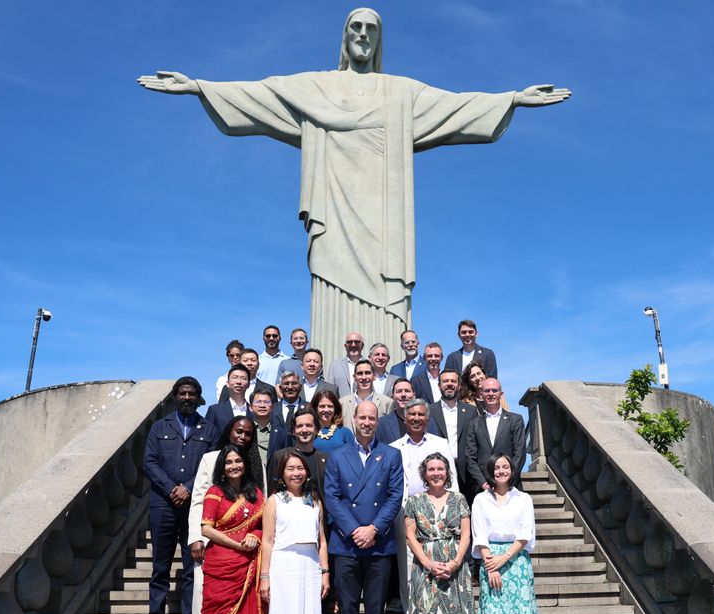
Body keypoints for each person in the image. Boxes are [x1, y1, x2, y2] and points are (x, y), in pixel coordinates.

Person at [138, 9, 570, 369]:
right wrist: (200, 87)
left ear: (379, 41)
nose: (362, 35)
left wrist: (511, 98)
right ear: (344, 37)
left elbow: (455, 106)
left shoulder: (400, 92)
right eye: (355, 28)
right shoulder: (316, 87)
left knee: (388, 291)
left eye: (371, 30)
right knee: (330, 283)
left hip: (385, 220)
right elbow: (262, 95)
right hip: (334, 209)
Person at [323, 401, 404, 614]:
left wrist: (373, 529)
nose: (367, 422)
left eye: (372, 418)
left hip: (379, 545)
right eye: (363, 417)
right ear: (354, 420)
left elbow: (395, 496)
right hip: (346, 545)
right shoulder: (337, 455)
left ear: (377, 422)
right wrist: (355, 530)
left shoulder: (391, 455)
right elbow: (331, 496)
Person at [141, 377, 220, 614]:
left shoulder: (208, 429)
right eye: (183, 393)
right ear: (176, 396)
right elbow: (150, 462)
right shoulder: (159, 427)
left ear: (199, 398)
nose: (187, 397)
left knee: (191, 564)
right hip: (163, 503)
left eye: (192, 394)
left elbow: (211, 464)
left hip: (193, 505)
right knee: (160, 565)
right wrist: (172, 488)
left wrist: (187, 488)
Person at [471, 454, 552, 614]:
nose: (501, 471)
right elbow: (480, 534)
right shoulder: (480, 500)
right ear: (490, 471)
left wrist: (503, 559)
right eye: (497, 467)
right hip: (490, 561)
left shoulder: (524, 499)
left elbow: (526, 533)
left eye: (505, 466)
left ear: (512, 470)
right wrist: (491, 565)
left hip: (516, 561)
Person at [197, 445, 267, 614]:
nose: (234, 466)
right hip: (222, 566)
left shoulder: (256, 494)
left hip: (247, 567)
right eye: (229, 462)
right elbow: (206, 529)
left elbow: (263, 525)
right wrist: (239, 544)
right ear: (222, 467)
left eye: (238, 461)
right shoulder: (215, 492)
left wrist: (256, 537)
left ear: (245, 464)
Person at [403, 452, 480, 614]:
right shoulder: (414, 501)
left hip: (456, 567)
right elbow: (410, 536)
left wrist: (456, 562)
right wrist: (428, 563)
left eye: (441, 469)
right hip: (425, 568)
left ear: (448, 473)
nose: (436, 473)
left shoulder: (459, 499)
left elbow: (466, 534)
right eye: (431, 469)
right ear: (424, 474)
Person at [259, 452, 331, 614]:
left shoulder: (314, 502)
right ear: (282, 473)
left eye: (300, 468)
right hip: (284, 563)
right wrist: (264, 577)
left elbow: (322, 540)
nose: (296, 473)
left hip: (310, 564)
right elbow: (267, 540)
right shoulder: (274, 501)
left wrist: (325, 572)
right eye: (290, 468)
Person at [388, 399, 457, 613]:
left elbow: (452, 481)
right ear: (404, 418)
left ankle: (441, 613)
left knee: (438, 559)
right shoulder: (393, 448)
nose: (416, 418)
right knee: (408, 566)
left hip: (438, 511)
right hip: (406, 513)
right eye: (412, 415)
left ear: (427, 418)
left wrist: (451, 512)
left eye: (421, 415)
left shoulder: (441, 443)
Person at [463, 378, 526, 500]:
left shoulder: (516, 420)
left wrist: (507, 480)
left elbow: (519, 453)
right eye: (487, 391)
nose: (491, 394)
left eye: (494, 390)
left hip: (511, 486)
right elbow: (470, 457)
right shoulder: (474, 423)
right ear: (482, 394)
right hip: (484, 488)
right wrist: (482, 482)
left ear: (501, 394)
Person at [428, 369, 479, 492]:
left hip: (465, 473)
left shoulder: (471, 411)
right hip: (438, 472)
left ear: (459, 385)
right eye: (445, 381)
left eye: (453, 381)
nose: (449, 384)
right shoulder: (429, 411)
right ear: (439, 385)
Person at [267, 408, 329, 500]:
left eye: (308, 425)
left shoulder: (325, 459)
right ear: (293, 431)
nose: (304, 430)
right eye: (299, 426)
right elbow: (272, 492)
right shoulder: (280, 457)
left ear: (316, 430)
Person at [340, 359, 394, 429]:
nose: (364, 377)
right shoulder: (342, 403)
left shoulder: (387, 403)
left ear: (374, 376)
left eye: (367, 373)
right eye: (360, 373)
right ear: (354, 377)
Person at [207, 364, 251, 435]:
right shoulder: (215, 410)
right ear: (227, 383)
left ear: (248, 384)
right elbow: (207, 436)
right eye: (235, 377)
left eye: (243, 378)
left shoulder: (254, 411)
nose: (238, 382)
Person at [328, 331, 365, 397]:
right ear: (345, 346)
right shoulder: (335, 365)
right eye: (349, 342)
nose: (353, 344)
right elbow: (330, 390)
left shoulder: (369, 365)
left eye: (357, 342)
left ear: (362, 345)